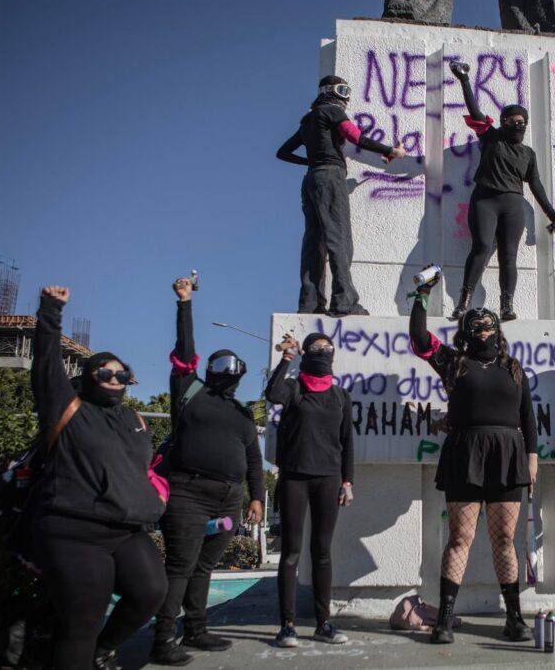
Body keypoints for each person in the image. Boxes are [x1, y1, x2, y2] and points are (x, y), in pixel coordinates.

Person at [29, 286, 168, 670]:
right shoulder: (68, 407)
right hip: (73, 529)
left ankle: (103, 651)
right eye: (103, 371)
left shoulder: (134, 419)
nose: (113, 377)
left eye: (121, 373)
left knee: (151, 592)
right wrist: (51, 311)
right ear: (89, 377)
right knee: (83, 621)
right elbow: (45, 364)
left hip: (125, 528)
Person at [409, 269, 537, 644]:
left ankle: (514, 618)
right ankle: (445, 619)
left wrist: (531, 458)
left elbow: (528, 418)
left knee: (504, 540)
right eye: (475, 325)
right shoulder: (454, 363)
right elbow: (419, 340)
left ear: (498, 329)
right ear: (465, 331)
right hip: (465, 453)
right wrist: (421, 295)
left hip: (508, 457)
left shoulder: (514, 368)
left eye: (488, 325)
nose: (483, 330)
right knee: (460, 537)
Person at [150, 277, 265, 665]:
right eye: (220, 362)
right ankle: (163, 639)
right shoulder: (189, 392)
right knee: (180, 565)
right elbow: (184, 354)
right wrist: (185, 303)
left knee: (204, 564)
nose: (226, 368)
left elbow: (253, 460)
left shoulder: (243, 412)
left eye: (233, 365)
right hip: (187, 493)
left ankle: (196, 629)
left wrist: (257, 498)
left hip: (229, 500)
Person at [277, 75, 407, 316]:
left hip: (311, 179)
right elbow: (355, 136)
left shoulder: (308, 119)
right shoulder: (333, 111)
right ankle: (344, 302)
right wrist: (392, 150)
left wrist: (312, 161)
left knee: (314, 243)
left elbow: (282, 152)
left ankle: (310, 303)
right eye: (343, 90)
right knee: (340, 240)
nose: (346, 96)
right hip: (330, 177)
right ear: (332, 91)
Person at [447, 60, 555, 322]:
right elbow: (475, 111)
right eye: (513, 121)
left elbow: (535, 184)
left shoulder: (528, 153)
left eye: (522, 121)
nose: (518, 125)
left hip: (513, 205)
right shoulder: (492, 138)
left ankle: (506, 306)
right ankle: (464, 300)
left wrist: (551, 213)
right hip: (485, 200)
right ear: (503, 123)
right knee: (480, 247)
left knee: (508, 256)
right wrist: (465, 80)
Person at [266, 332, 355, 647]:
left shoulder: (341, 396)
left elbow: (347, 443)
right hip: (294, 478)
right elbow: (273, 394)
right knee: (290, 551)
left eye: (327, 347)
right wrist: (287, 358)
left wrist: (348, 482)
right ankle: (287, 625)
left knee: (322, 552)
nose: (322, 351)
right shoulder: (294, 388)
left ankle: (323, 623)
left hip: (328, 479)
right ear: (306, 352)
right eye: (315, 347)